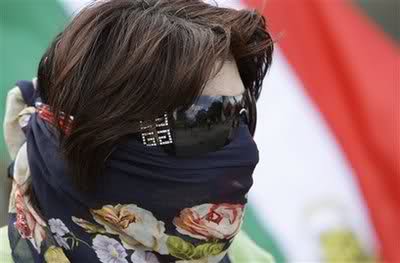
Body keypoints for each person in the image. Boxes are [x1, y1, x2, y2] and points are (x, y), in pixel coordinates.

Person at [4, 0, 273, 262]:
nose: (246, 150)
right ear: (98, 138)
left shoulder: (244, 256)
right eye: (205, 119)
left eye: (241, 112)